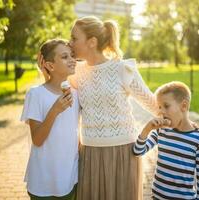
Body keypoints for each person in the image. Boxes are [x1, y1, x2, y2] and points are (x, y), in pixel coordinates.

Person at [67, 16, 158, 200]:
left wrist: (181, 121)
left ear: (91, 42)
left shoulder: (123, 69)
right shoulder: (75, 72)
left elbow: (152, 103)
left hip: (123, 152)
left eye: (74, 38)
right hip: (90, 152)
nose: (70, 43)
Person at [21, 39, 79, 200]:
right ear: (50, 65)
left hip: (69, 177)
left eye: (72, 55)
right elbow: (37, 140)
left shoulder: (76, 93)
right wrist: (55, 110)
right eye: (65, 57)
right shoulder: (36, 94)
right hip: (42, 181)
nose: (72, 60)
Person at [133, 81, 199, 200]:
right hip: (158, 196)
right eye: (159, 107)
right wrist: (146, 130)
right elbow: (138, 151)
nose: (161, 112)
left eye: (166, 106)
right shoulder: (161, 132)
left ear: (183, 106)